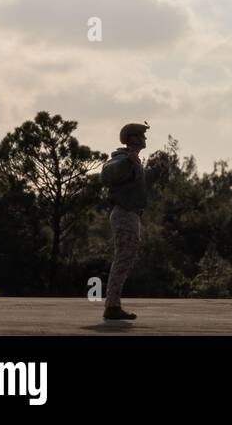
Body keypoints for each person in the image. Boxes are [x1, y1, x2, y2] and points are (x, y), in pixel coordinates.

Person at [101, 122, 154, 321]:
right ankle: (112, 306)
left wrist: (157, 171)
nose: (145, 139)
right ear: (132, 138)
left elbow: (141, 183)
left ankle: (113, 305)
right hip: (124, 214)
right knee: (123, 258)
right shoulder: (121, 159)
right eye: (141, 136)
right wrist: (128, 162)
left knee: (125, 257)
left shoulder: (133, 162)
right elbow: (106, 174)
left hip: (131, 215)